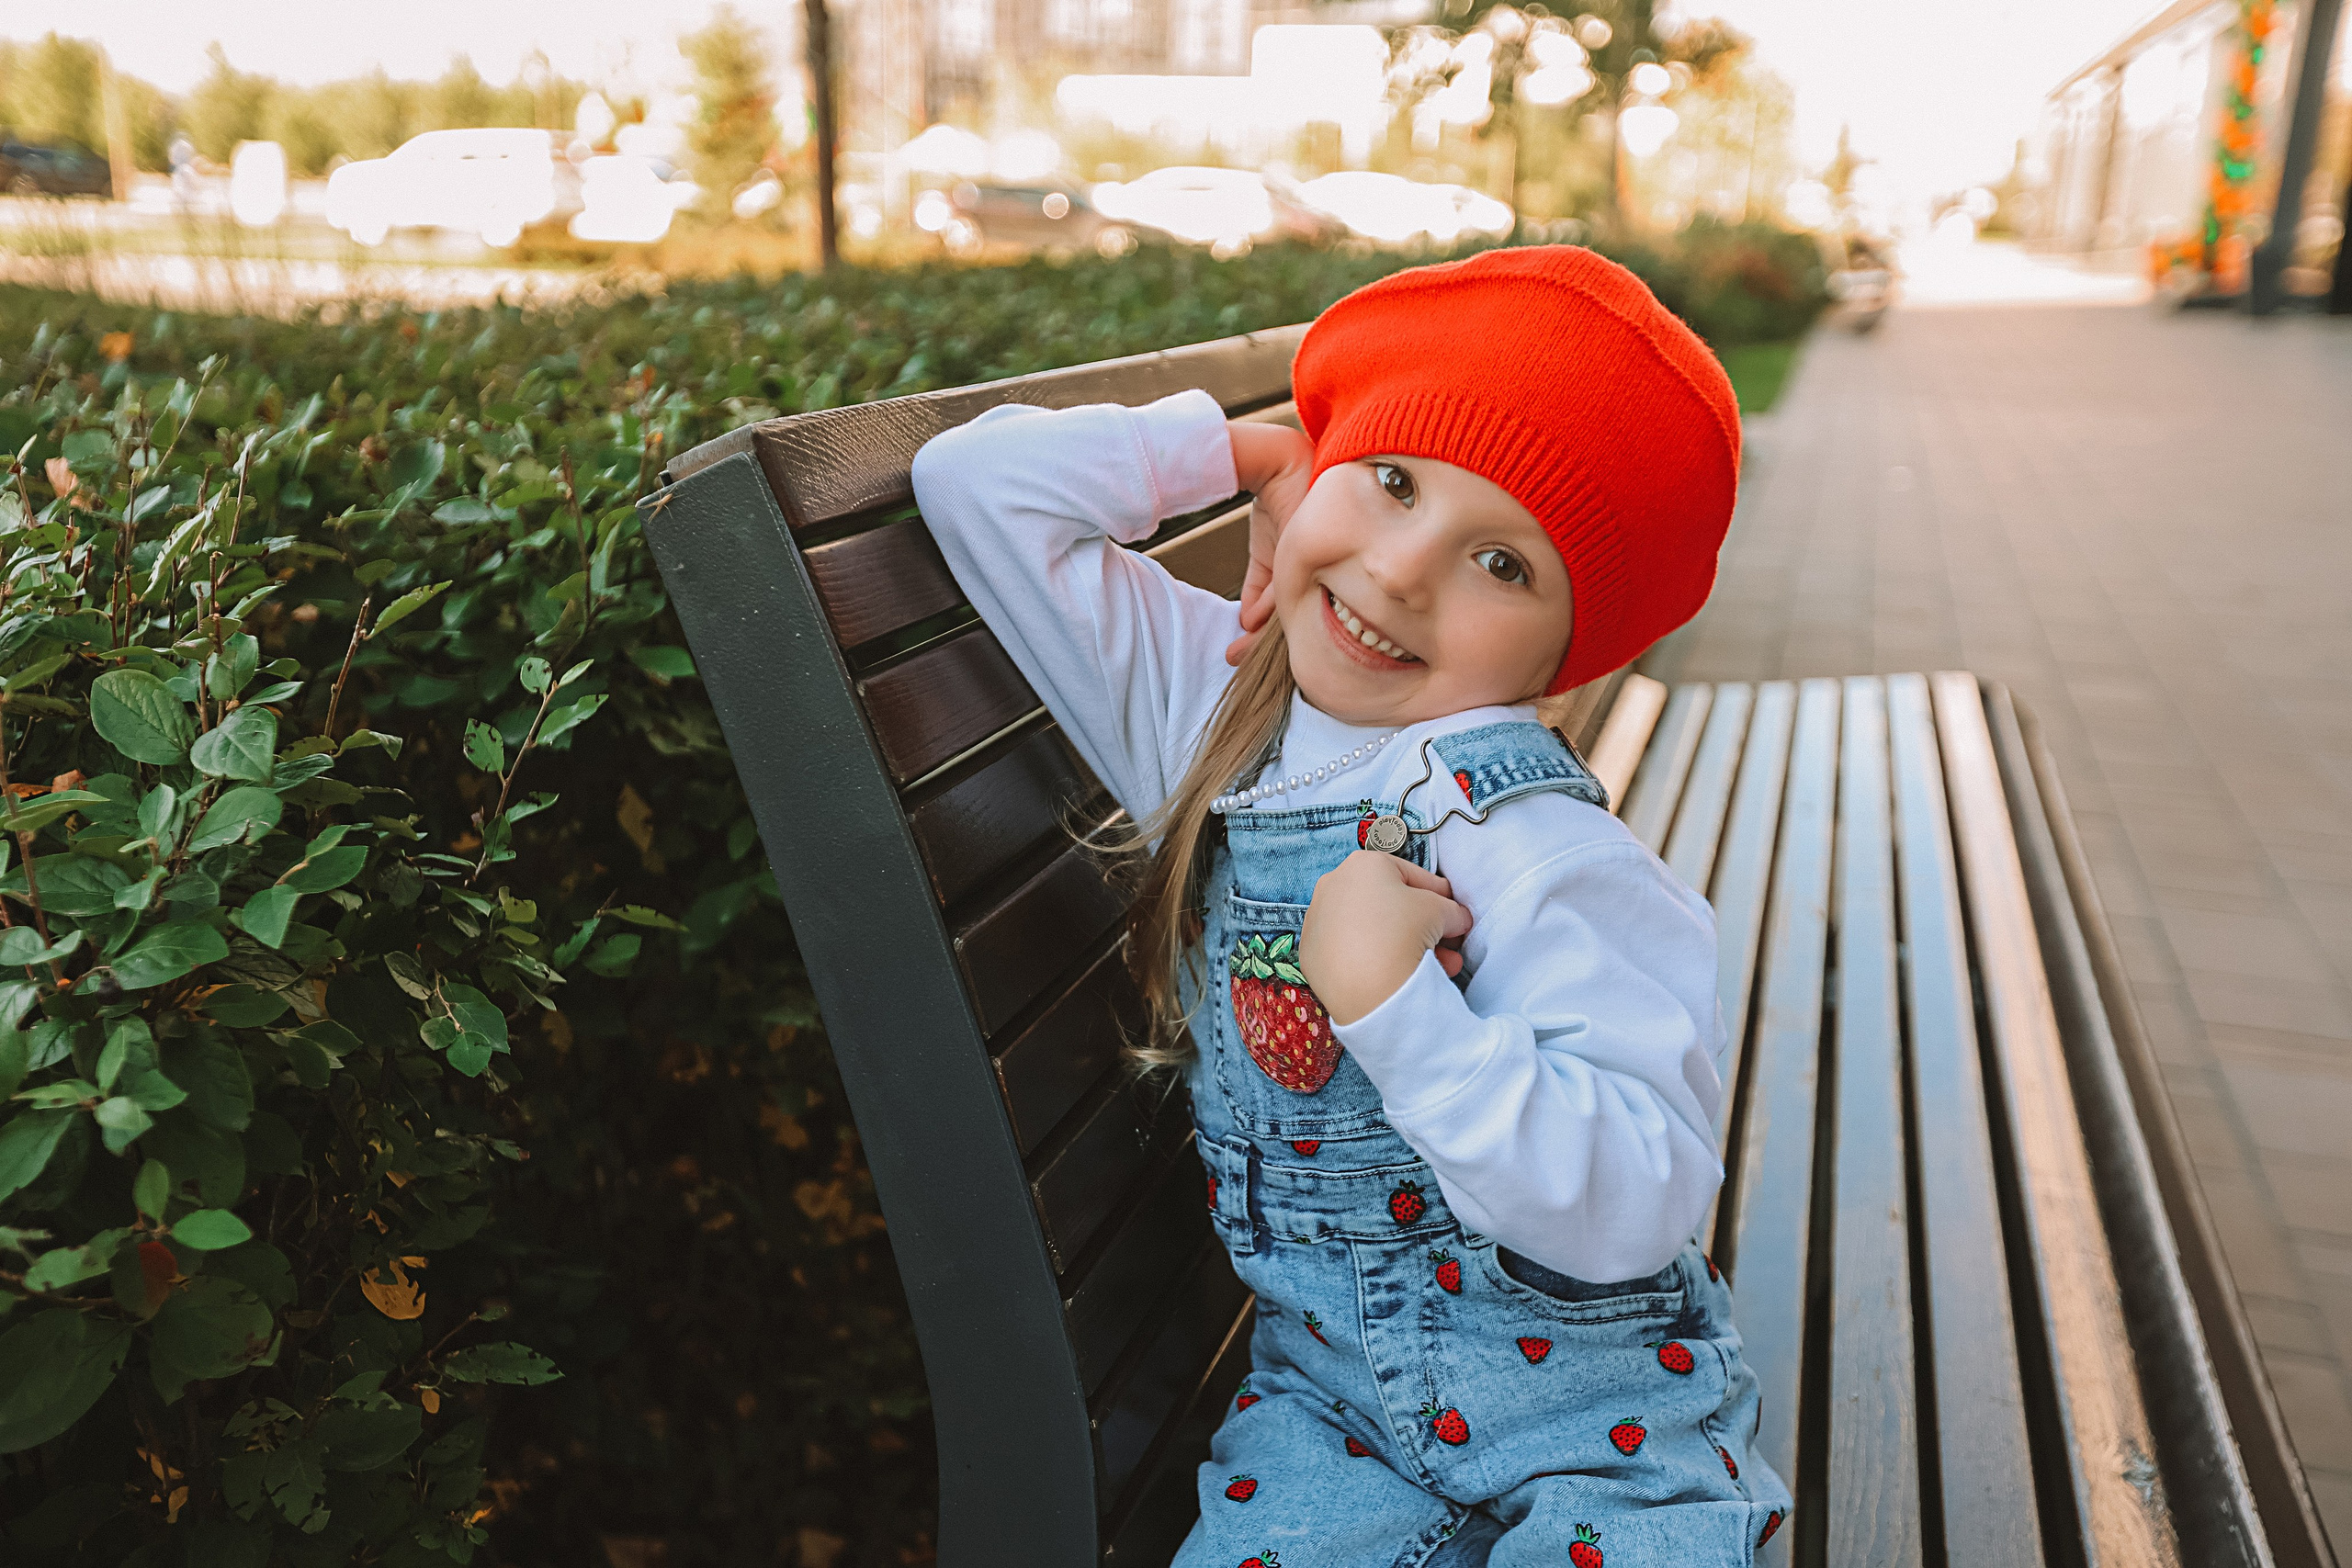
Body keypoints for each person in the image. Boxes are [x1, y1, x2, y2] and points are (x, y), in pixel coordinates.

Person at [911, 246, 1790, 1566]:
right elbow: (973, 486)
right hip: (1333, 1422)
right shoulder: (1208, 709)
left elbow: (1641, 1193)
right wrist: (1252, 456)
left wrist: (1400, 1012)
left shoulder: (1538, 845)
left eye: (1501, 562)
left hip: (1599, 1423)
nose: (1398, 571)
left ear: (1562, 655)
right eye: (1391, 481)